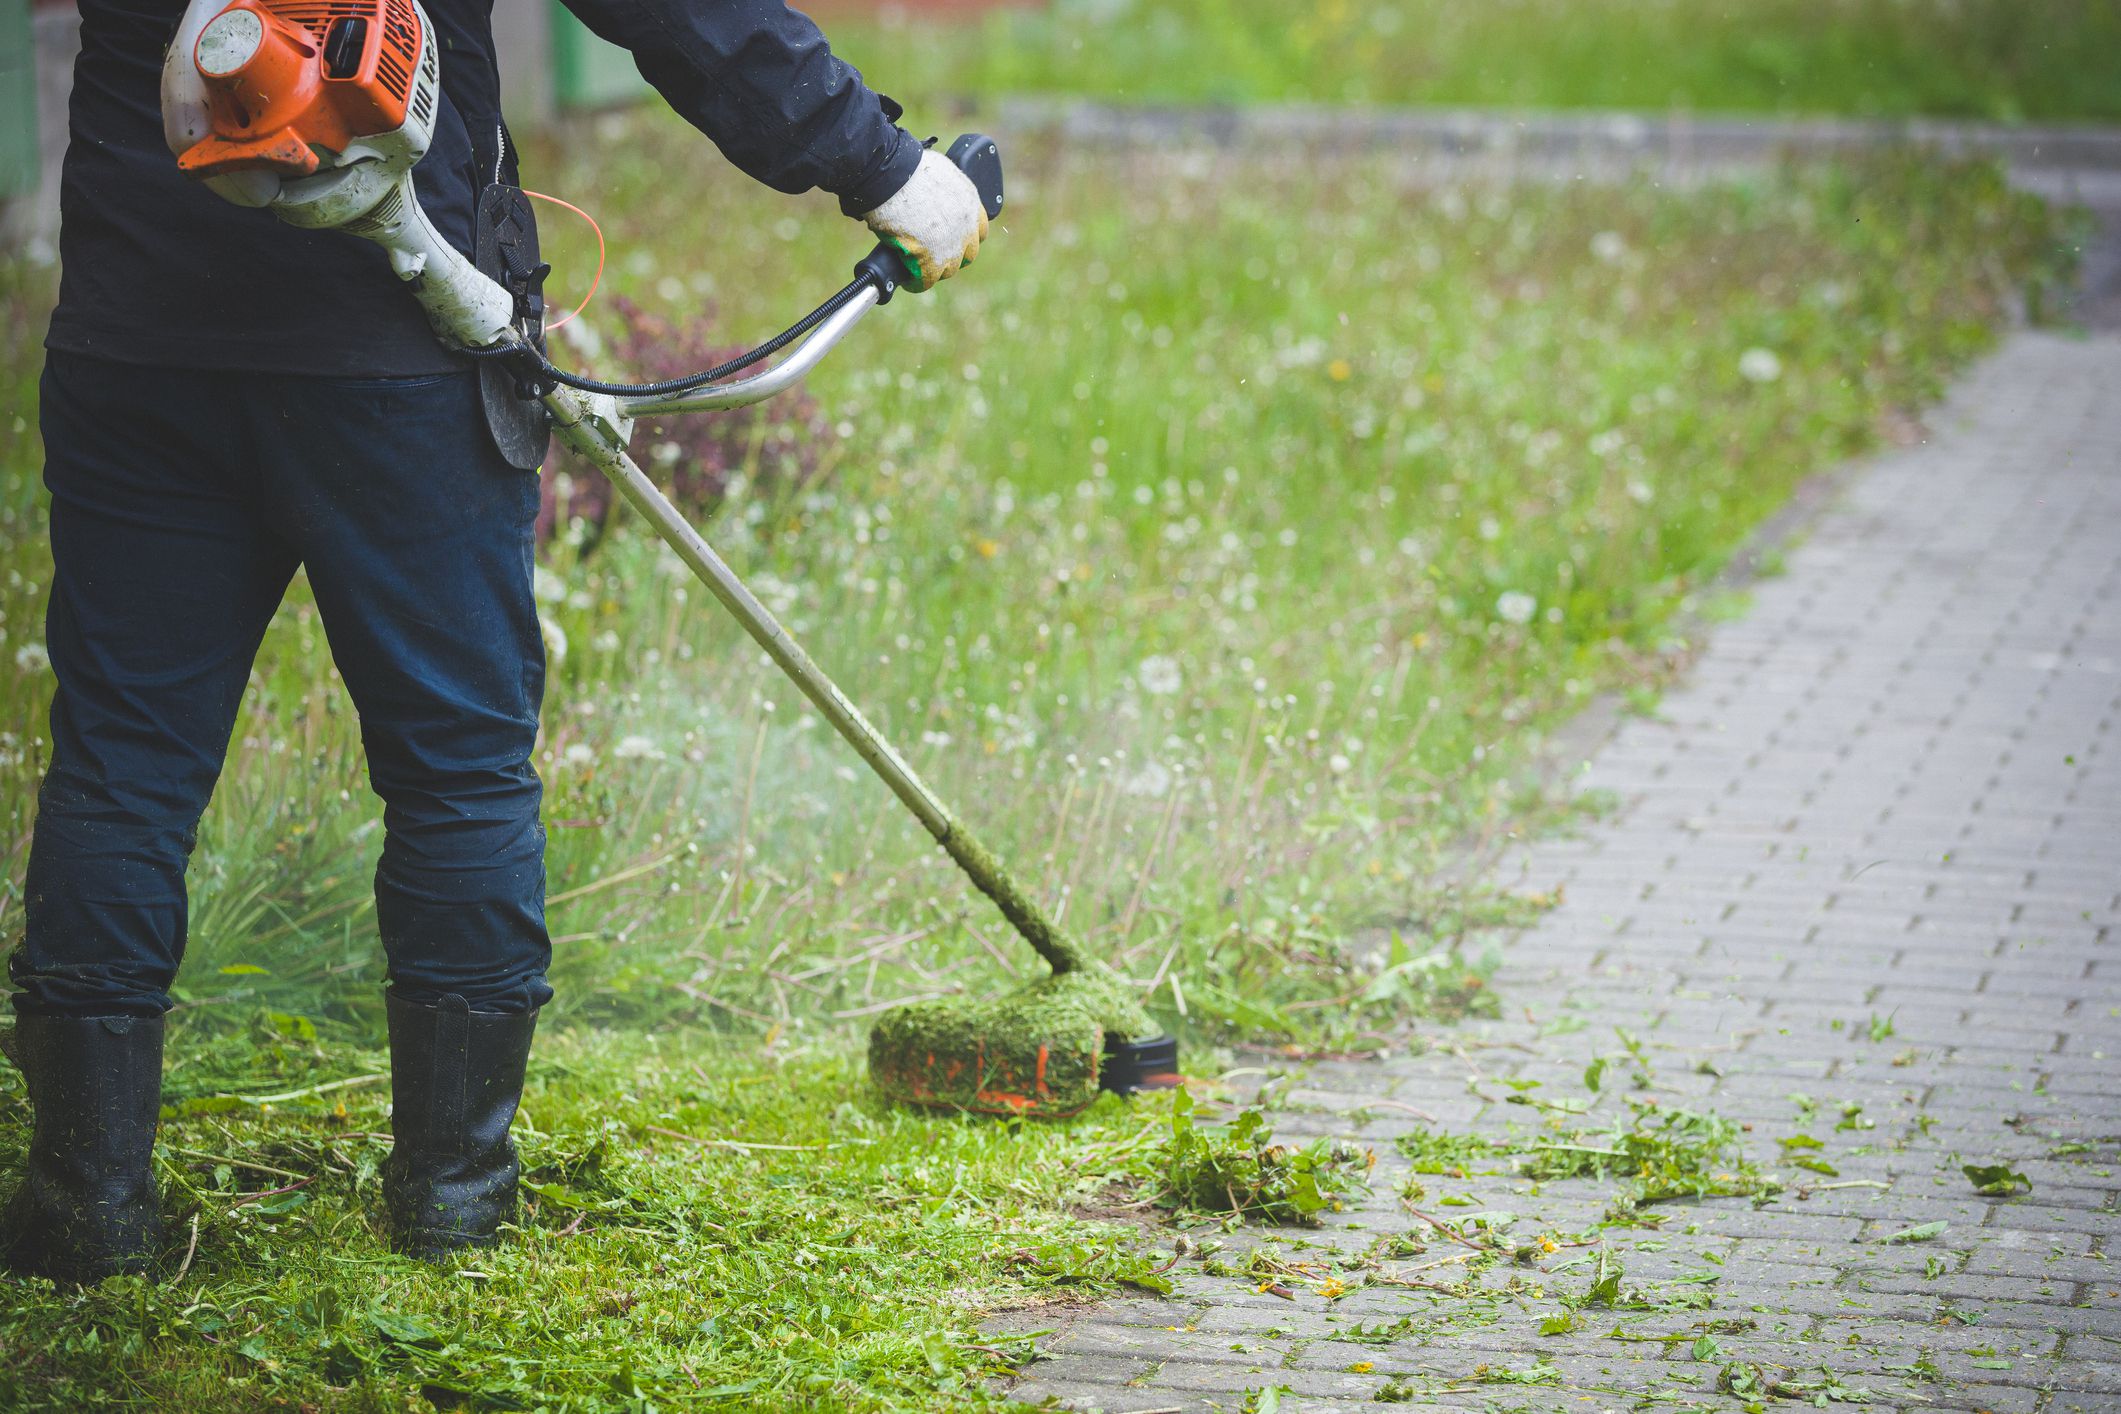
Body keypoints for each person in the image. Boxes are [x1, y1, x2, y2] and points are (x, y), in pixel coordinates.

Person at [3, 0, 988, 1283]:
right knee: (457, 768)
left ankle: (84, 1201)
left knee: (120, 764)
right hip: (398, 361)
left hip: (140, 324)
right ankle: (454, 1200)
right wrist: (886, 168)